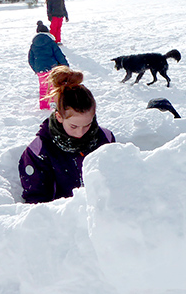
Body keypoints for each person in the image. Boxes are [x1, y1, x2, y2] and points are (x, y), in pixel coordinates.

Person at [19, 67, 115, 203]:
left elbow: (116, 179)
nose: (80, 133)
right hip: (63, 213)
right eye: (73, 126)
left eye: (87, 125)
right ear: (59, 117)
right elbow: (37, 198)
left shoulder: (105, 138)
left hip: (102, 210)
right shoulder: (39, 149)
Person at [28, 20, 69, 110]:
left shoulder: (33, 45)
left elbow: (30, 59)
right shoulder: (51, 43)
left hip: (40, 69)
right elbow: (59, 55)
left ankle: (44, 105)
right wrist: (65, 66)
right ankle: (53, 104)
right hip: (52, 68)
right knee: (53, 87)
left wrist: (36, 69)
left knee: (43, 88)